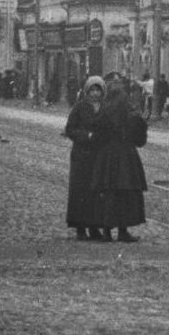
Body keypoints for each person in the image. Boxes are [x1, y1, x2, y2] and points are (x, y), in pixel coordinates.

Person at [90, 73, 149, 244]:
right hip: (125, 156)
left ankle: (107, 232)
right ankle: (123, 230)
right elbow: (139, 138)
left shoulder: (104, 109)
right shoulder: (129, 111)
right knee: (125, 194)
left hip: (107, 156)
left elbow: (97, 132)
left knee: (108, 193)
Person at [64, 75, 106, 241]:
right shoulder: (80, 108)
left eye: (98, 90)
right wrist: (86, 135)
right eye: (92, 90)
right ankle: (80, 227)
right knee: (81, 191)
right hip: (81, 155)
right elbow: (70, 129)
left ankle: (95, 226)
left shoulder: (105, 107)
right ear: (87, 91)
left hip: (98, 155)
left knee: (96, 192)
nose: (95, 93)